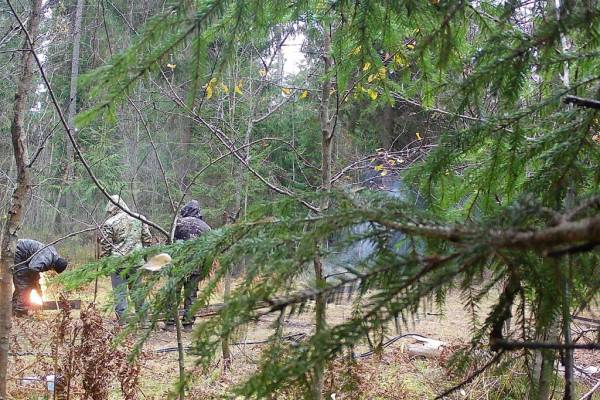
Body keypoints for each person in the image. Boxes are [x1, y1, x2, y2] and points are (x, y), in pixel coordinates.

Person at [99, 195, 152, 323]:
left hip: (117, 264)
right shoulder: (139, 219)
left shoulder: (109, 223)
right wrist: (143, 258)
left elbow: (106, 246)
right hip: (136, 262)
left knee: (120, 294)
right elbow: (147, 239)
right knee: (138, 292)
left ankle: (122, 323)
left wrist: (105, 264)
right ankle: (144, 321)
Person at [165, 200, 211, 331]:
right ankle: (188, 324)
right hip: (196, 267)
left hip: (177, 266)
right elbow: (210, 249)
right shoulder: (205, 227)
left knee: (173, 293)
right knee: (191, 295)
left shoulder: (177, 224)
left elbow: (168, 244)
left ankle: (170, 323)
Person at [12, 239, 68, 317]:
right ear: (54, 266)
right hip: (18, 251)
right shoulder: (46, 259)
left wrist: (38, 289)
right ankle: (21, 312)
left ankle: (14, 308)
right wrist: (35, 285)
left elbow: (34, 273)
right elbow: (32, 268)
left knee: (25, 284)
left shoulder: (54, 256)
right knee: (24, 285)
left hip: (22, 253)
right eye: (53, 270)